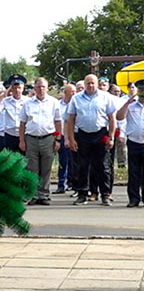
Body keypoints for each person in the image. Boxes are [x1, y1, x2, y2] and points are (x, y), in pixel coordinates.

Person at [65, 74, 117, 205]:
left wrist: (111, 137)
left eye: (93, 83)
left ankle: (105, 194)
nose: (90, 85)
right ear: (85, 84)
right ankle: (82, 193)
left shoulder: (106, 97)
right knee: (82, 166)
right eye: (88, 83)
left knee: (103, 166)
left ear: (97, 84)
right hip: (82, 135)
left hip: (100, 134)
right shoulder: (76, 98)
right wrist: (71, 139)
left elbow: (112, 118)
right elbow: (70, 119)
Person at [19, 77, 61, 205]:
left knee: (46, 168)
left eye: (43, 86)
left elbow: (58, 121)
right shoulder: (28, 103)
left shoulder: (54, 102)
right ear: (34, 88)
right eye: (38, 87)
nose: (41, 89)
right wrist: (22, 140)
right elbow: (22, 123)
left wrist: (58, 139)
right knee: (32, 169)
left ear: (47, 88)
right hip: (31, 138)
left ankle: (44, 194)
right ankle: (33, 195)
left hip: (48, 138)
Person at [115, 80, 144, 207]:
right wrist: (127, 103)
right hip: (134, 142)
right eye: (141, 90)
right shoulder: (131, 105)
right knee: (134, 172)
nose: (142, 93)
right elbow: (119, 117)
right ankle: (133, 198)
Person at [0, 74, 26, 152]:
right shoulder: (6, 101)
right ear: (11, 89)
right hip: (10, 135)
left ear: (23, 88)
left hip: (24, 134)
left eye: (19, 88)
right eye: (14, 88)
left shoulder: (28, 101)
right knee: (9, 159)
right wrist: (2, 97)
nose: (17, 90)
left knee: (23, 159)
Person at [55, 83, 76, 193]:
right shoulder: (58, 104)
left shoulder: (76, 103)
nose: (73, 94)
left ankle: (73, 184)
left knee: (75, 162)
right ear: (65, 93)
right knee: (63, 161)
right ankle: (61, 184)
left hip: (74, 136)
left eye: (74, 91)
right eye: (71, 91)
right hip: (62, 136)